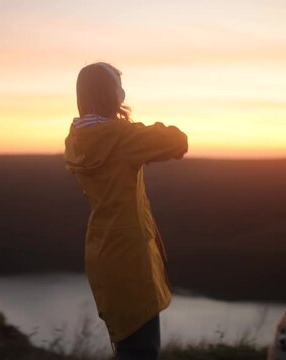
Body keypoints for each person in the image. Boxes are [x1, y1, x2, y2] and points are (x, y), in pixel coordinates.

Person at [64, 62, 188, 360]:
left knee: (128, 347)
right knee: (142, 350)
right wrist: (135, 128)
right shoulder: (120, 137)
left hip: (102, 251)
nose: (124, 90)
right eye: (119, 84)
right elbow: (177, 141)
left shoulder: (76, 140)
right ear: (109, 92)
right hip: (130, 255)